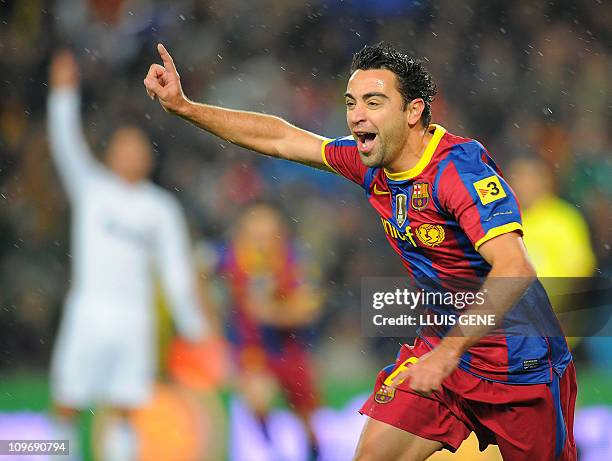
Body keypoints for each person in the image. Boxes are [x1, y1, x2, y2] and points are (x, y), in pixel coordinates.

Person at [144, 42, 576, 460]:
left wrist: (449, 353)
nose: (356, 117)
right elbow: (281, 138)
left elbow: (515, 267)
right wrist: (186, 107)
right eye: (351, 103)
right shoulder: (371, 164)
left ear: (413, 111)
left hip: (521, 365)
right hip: (440, 359)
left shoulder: (458, 171)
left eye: (373, 102)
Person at [48, 50, 209, 461]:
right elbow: (65, 143)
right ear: (110, 154)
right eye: (124, 147)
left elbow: (174, 270)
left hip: (134, 319)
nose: (131, 154)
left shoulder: (160, 209)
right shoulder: (91, 189)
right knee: (66, 403)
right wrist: (64, 95)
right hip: (88, 312)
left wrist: (192, 325)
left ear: (149, 157)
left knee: (125, 409)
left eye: (138, 147)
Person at [219, 202, 322, 460]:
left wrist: (273, 314)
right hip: (252, 347)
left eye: (267, 235)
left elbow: (308, 309)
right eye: (254, 235)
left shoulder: (296, 260)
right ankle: (270, 448)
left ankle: (313, 450)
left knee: (307, 418)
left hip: (290, 347)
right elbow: (200, 275)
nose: (260, 242)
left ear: (281, 234)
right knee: (257, 400)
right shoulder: (230, 257)